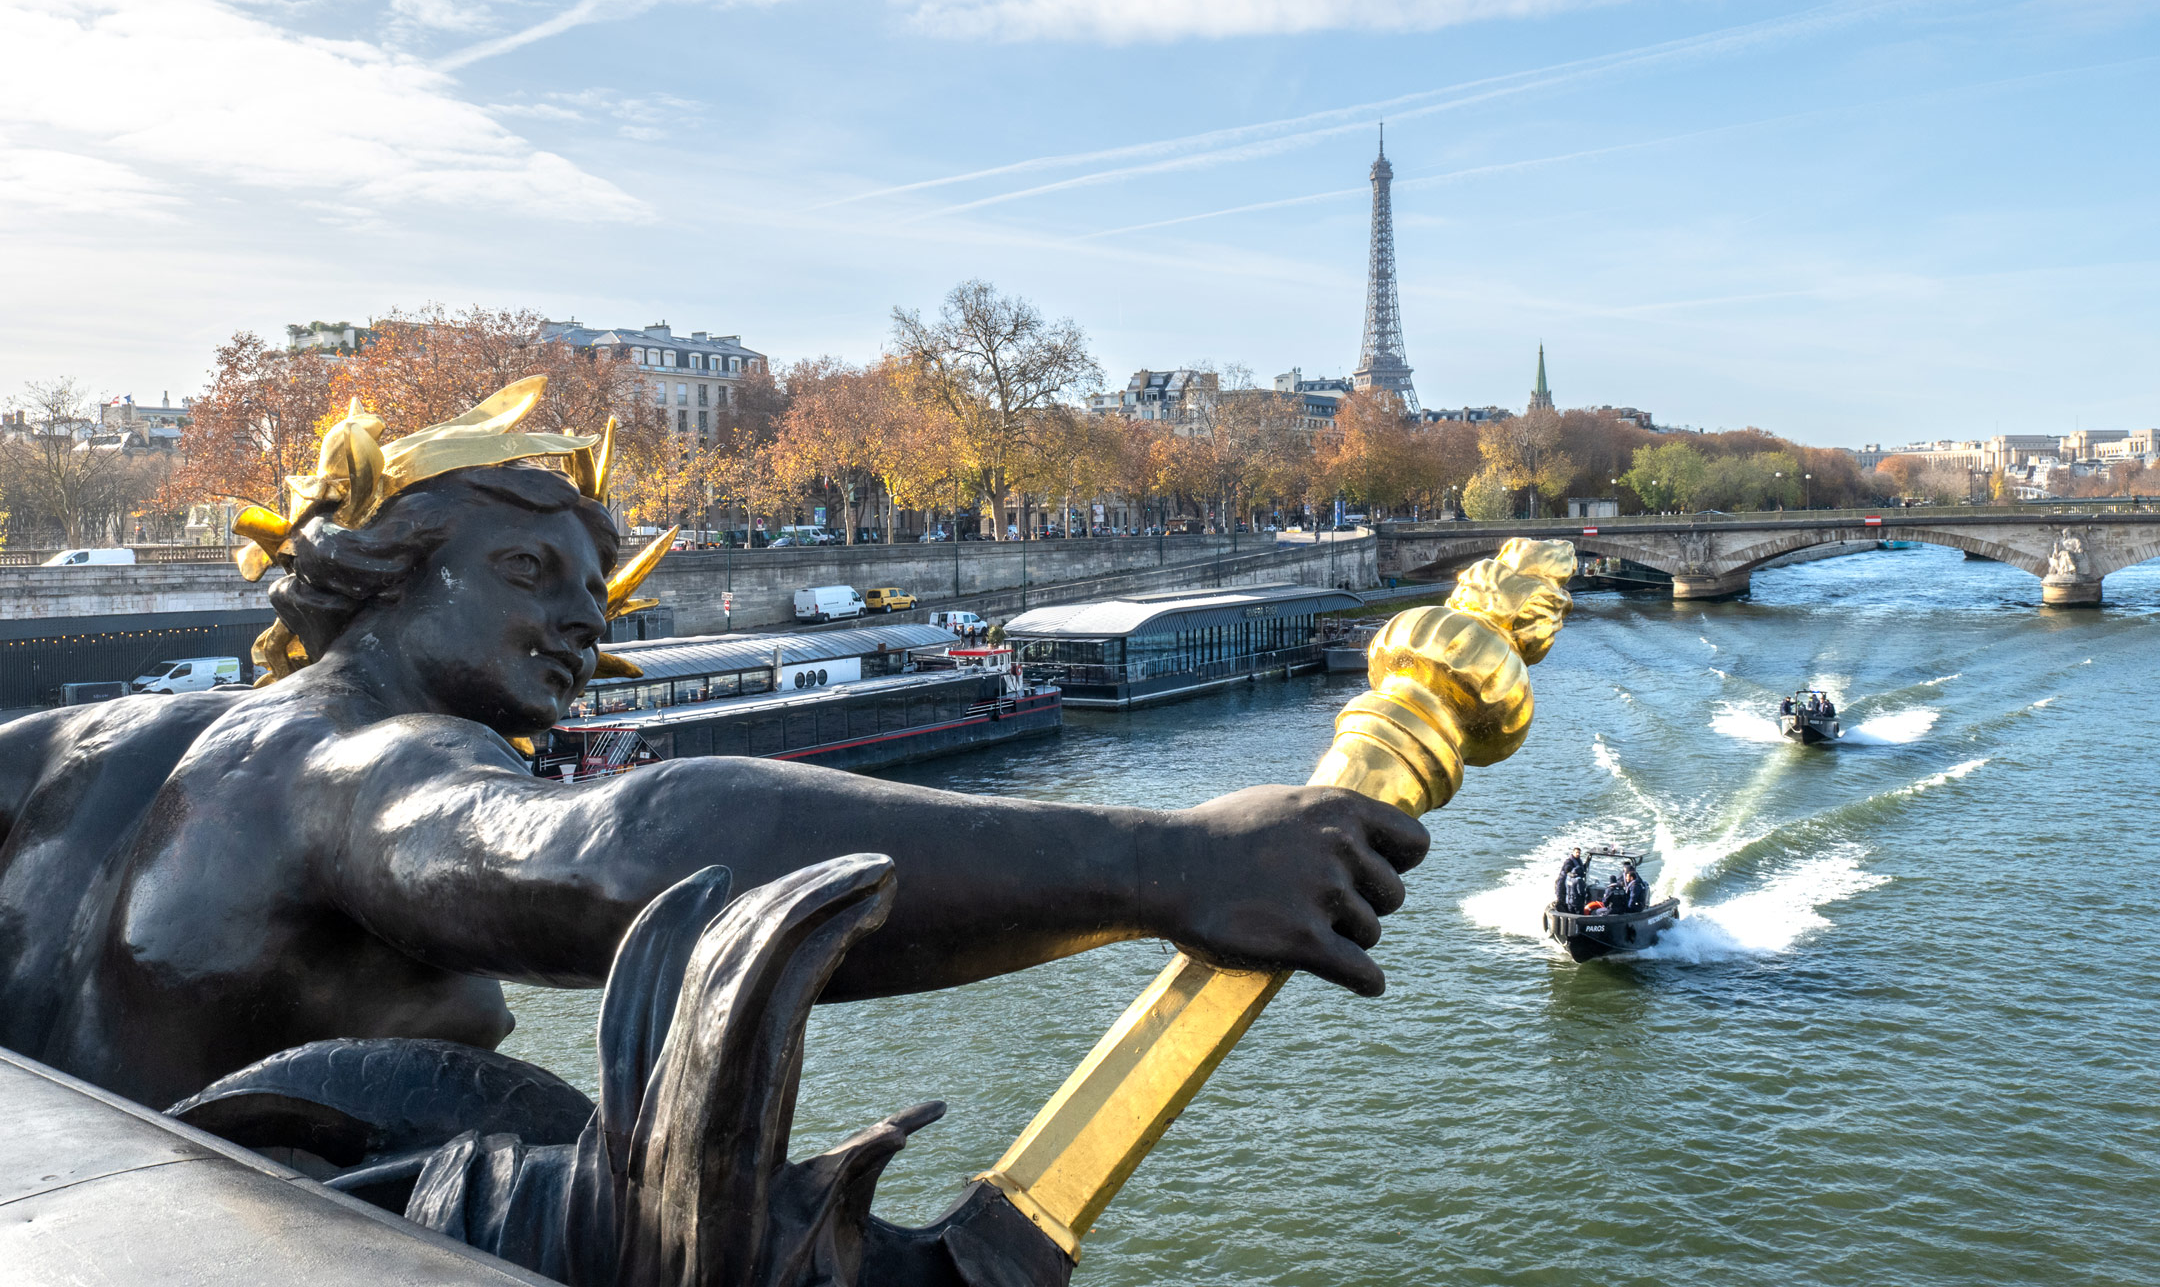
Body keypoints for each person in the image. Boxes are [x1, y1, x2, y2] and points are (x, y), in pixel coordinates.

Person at [0, 392, 1430, 1112]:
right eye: (529, 571)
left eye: (595, 589)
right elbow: (614, 853)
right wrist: (1160, 860)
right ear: (389, 569)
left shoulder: (104, 745)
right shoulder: (352, 766)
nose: (585, 622)